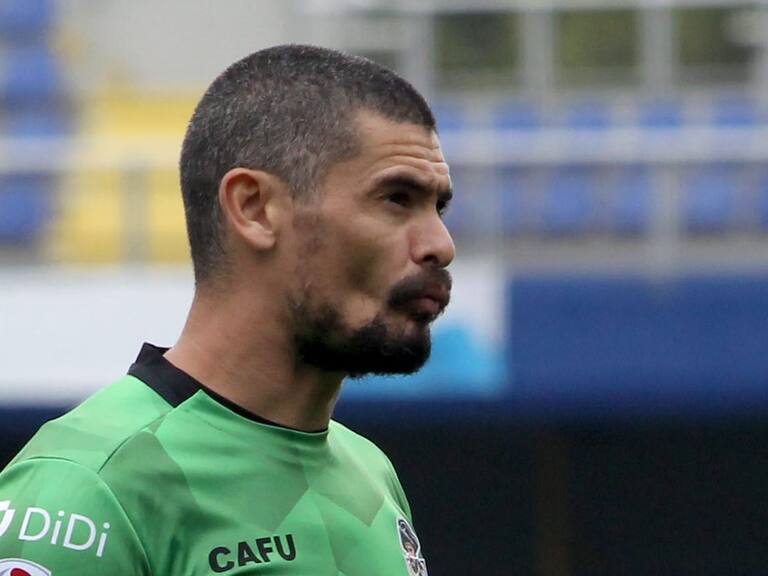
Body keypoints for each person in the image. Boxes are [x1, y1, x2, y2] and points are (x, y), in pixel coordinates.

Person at [0, 44, 454, 575]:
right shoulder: (85, 489)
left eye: (438, 206)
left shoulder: (371, 474)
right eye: (397, 198)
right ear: (254, 209)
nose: (440, 244)